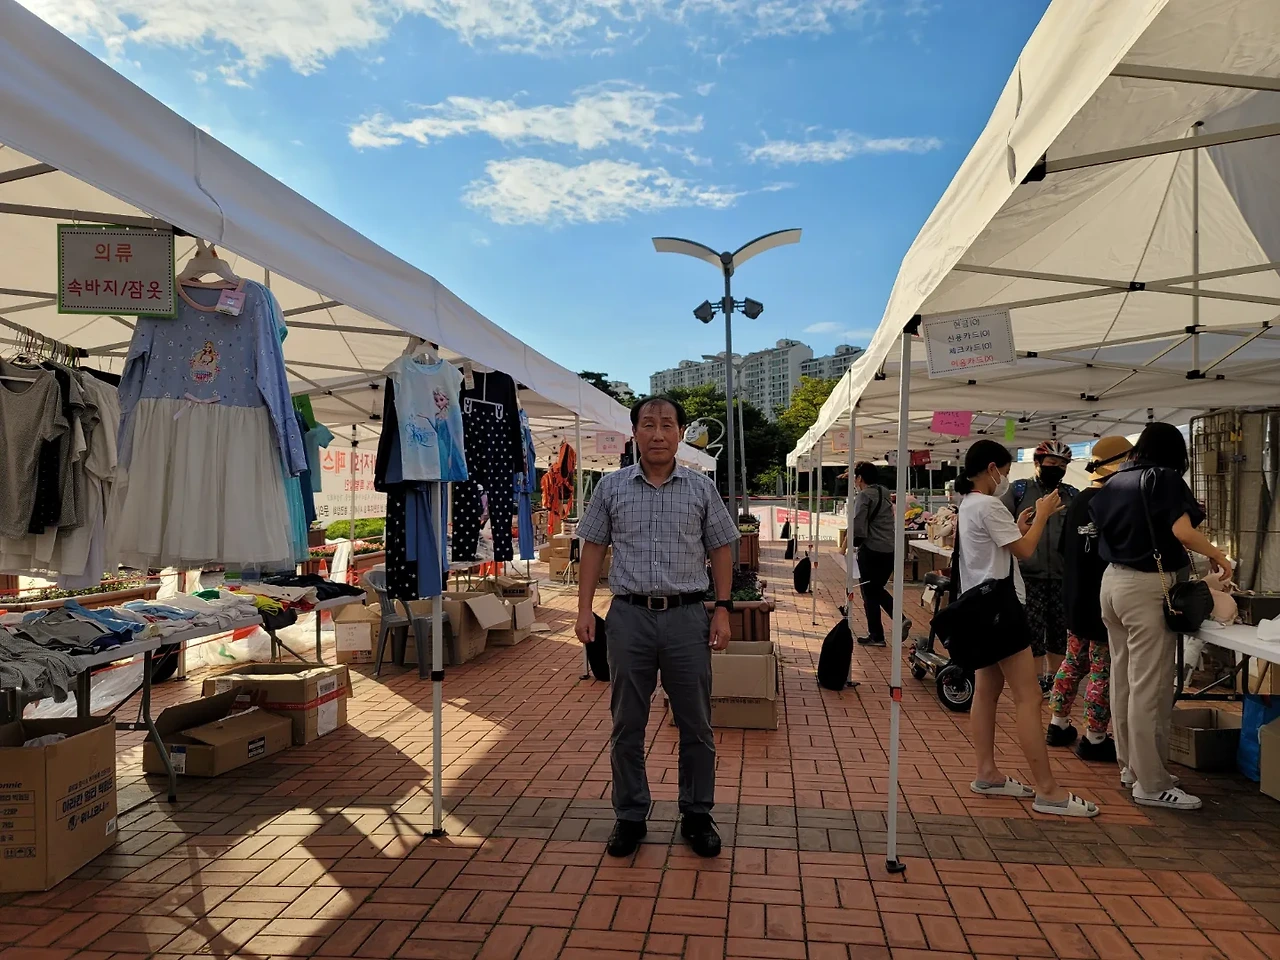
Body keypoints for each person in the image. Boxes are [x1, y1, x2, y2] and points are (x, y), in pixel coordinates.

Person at [575, 396, 739, 859]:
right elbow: (593, 547)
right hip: (629, 618)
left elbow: (722, 548)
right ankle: (630, 815)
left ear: (681, 433)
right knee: (627, 722)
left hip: (687, 618)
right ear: (634, 433)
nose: (658, 434)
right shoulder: (611, 487)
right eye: (648, 424)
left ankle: (697, 814)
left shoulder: (701, 489)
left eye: (667, 425)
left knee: (696, 723)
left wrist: (722, 609)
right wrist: (584, 608)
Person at [1092, 422, 1232, 811]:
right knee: (1149, 688)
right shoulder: (1164, 478)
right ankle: (1151, 783)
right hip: (1146, 586)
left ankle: (1132, 768)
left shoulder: (1117, 480)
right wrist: (1218, 555)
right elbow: (1183, 531)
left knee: (1123, 680)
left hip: (1112, 582)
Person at [955, 440, 1099, 818]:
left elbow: (1003, 545)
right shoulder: (989, 505)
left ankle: (987, 772)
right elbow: (1025, 551)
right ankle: (1048, 790)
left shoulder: (969, 504)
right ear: (992, 469)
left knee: (987, 692)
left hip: (980, 608)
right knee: (1029, 697)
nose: (1005, 477)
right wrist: (1044, 515)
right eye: (1003, 470)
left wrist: (1019, 527)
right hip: (1002, 610)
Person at [1046, 435, 1133, 761]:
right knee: (1102, 670)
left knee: (1073, 662)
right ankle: (1094, 738)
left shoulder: (1079, 501)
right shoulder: (1117, 502)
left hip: (1074, 598)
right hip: (1103, 601)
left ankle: (1058, 724)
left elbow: (1063, 549)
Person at [1002, 439, 1076, 692]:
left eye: (1062, 465)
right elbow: (1003, 525)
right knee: (1031, 630)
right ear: (1038, 463)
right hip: (1027, 574)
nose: (1057, 468)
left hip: (1061, 575)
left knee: (1059, 630)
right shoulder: (1018, 490)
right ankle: (1035, 681)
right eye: (1052, 462)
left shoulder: (1071, 495)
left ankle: (1054, 679)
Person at [849, 461, 906, 647]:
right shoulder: (885, 492)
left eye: (855, 477)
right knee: (876, 589)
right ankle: (890, 626)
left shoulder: (864, 496)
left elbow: (858, 523)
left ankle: (879, 634)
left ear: (860, 478)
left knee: (869, 592)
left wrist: (852, 544)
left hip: (871, 549)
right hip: (889, 550)